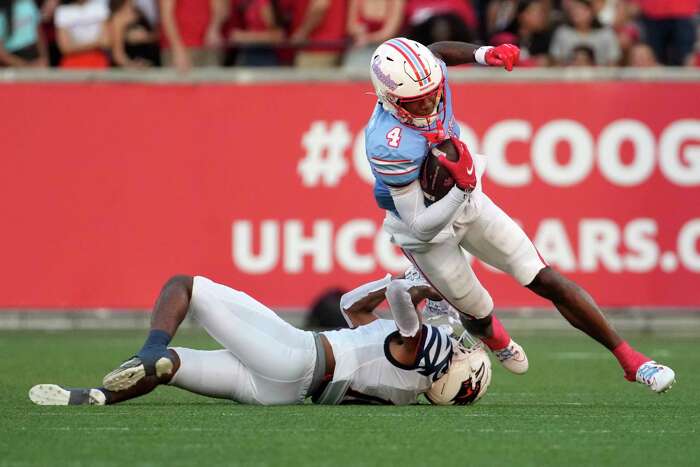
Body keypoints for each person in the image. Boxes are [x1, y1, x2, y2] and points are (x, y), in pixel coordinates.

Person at [364, 36, 675, 393]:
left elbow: (437, 51)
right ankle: (494, 337)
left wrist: (484, 54)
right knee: (477, 309)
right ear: (390, 99)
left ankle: (632, 361)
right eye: (420, 102)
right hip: (423, 229)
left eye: (434, 92)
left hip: (466, 198)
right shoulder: (386, 142)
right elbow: (419, 226)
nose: (433, 102)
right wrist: (462, 187)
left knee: (540, 275)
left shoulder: (428, 77)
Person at [28, 272, 491, 406]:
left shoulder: (421, 352)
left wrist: (421, 284)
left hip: (297, 357)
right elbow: (354, 307)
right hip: (282, 392)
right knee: (173, 366)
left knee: (185, 286)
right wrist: (407, 286)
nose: (462, 348)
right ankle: (94, 397)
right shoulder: (411, 388)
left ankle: (148, 349)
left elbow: (398, 304)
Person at [549, 0, 620, 65]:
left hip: (599, 77)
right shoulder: (562, 33)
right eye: (574, 9)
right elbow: (556, 62)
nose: (576, 13)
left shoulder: (606, 33)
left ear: (592, 12)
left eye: (581, 9)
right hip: (568, 77)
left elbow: (613, 62)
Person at [54, 0, 110, 68]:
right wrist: (97, 43)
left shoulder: (100, 5)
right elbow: (65, 48)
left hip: (98, 60)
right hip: (71, 63)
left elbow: (106, 41)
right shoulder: (62, 11)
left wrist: (75, 46)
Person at [0, 0, 49, 67]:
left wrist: (44, 58)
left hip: (34, 54)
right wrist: (26, 66)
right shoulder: (2, 12)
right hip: (13, 60)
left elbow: (39, 35)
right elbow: (2, 54)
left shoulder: (28, 3)